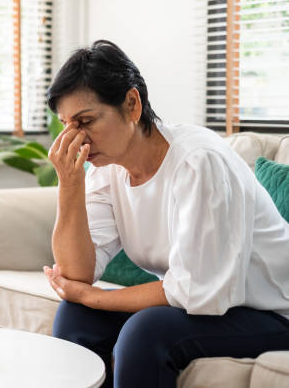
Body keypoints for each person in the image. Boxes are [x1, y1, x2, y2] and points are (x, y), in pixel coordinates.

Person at [42, 40, 289, 388]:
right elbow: (76, 274)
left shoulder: (198, 163)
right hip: (208, 306)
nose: (76, 138)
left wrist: (93, 296)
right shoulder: (105, 170)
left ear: (132, 104)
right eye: (67, 125)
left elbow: (197, 291)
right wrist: (70, 183)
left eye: (86, 121)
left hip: (272, 312)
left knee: (145, 333)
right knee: (76, 316)